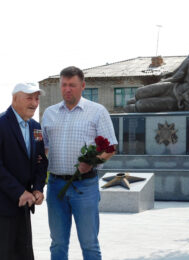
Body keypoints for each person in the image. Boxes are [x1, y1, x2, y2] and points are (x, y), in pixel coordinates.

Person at [42, 66, 118, 260]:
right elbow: (44, 149)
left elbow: (110, 148)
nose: (67, 89)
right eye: (64, 85)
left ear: (82, 86)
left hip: (85, 186)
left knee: (89, 244)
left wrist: (92, 163)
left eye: (72, 85)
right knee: (57, 243)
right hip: (56, 186)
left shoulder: (97, 112)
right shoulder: (49, 113)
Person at [0, 83, 48, 260]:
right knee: (1, 254)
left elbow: (41, 161)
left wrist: (38, 188)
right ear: (15, 98)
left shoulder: (36, 128)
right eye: (29, 97)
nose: (34, 103)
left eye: (37, 98)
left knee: (23, 253)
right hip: (0, 202)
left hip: (24, 203)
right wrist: (19, 192)